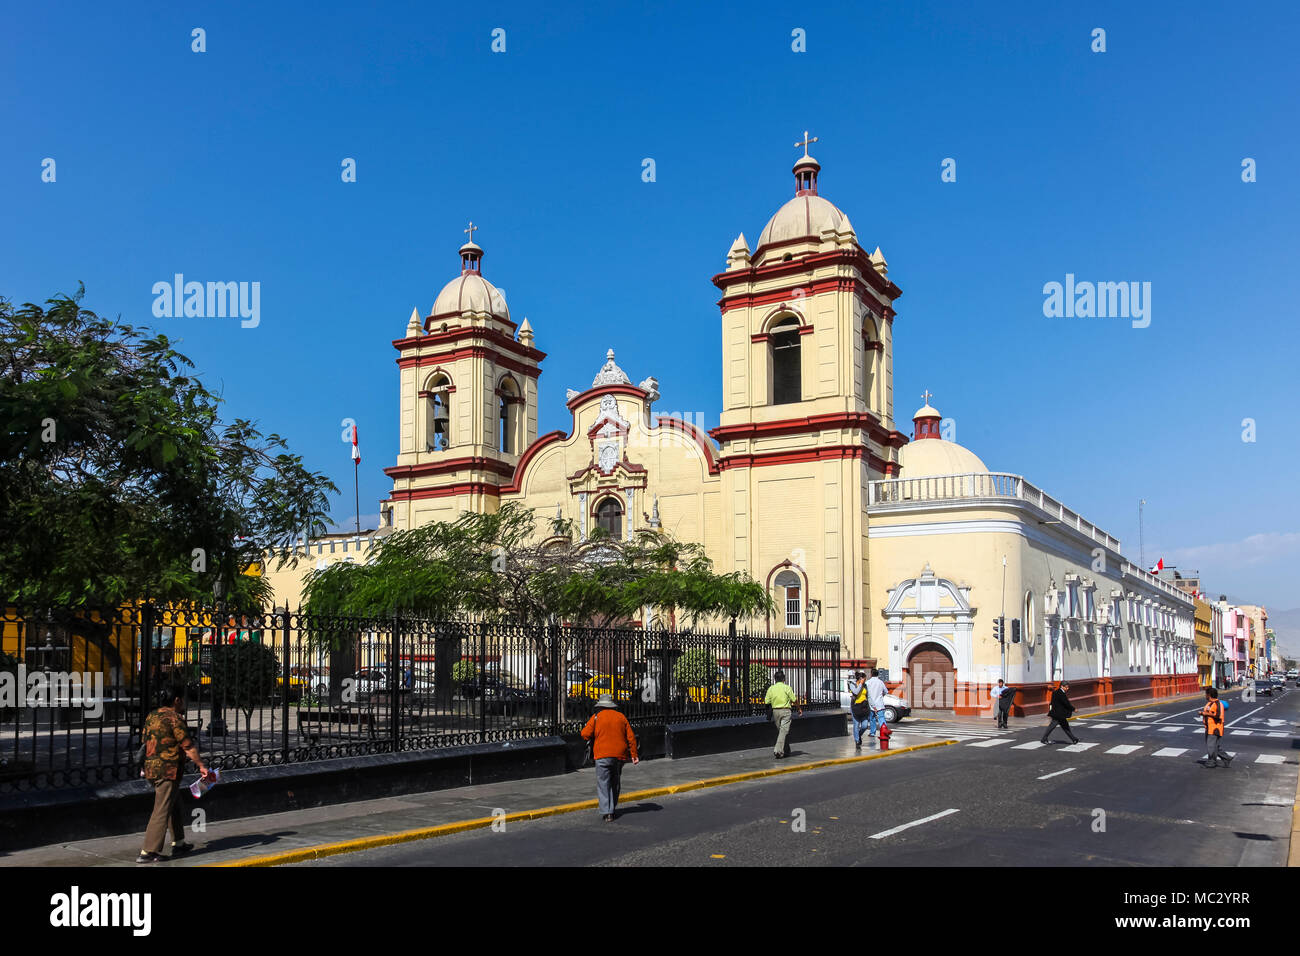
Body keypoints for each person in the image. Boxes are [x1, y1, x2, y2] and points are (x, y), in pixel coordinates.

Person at [138, 679, 210, 863]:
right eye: (183, 700)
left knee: (174, 805)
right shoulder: (174, 718)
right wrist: (201, 765)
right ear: (176, 700)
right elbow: (188, 746)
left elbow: (145, 742)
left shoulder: (151, 716)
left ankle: (179, 843)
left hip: (152, 768)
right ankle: (149, 851)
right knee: (162, 809)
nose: (184, 703)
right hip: (167, 770)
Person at [580, 693, 639, 821]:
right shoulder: (621, 717)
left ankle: (608, 812)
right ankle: (612, 807)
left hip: (601, 755)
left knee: (603, 783)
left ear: (600, 706)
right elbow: (631, 737)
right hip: (619, 755)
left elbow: (584, 734)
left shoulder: (596, 717)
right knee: (615, 781)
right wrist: (634, 755)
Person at [764, 670, 801, 759]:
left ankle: (787, 750)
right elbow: (794, 699)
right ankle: (778, 750)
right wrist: (799, 708)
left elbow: (766, 701)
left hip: (775, 712)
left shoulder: (771, 689)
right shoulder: (787, 688)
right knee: (783, 731)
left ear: (775, 679)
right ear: (784, 679)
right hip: (785, 711)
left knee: (782, 731)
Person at [1199, 686, 1232, 768]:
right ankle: (1226, 758)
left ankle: (1211, 762)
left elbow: (1218, 715)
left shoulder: (1218, 704)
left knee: (1211, 745)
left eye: (1206, 694)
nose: (1205, 696)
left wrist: (1205, 714)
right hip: (1209, 727)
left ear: (1209, 695)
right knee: (1214, 746)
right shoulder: (1210, 703)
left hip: (1215, 728)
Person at [848, 672, 871, 750]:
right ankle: (857, 740)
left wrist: (872, 706)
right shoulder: (852, 684)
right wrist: (860, 684)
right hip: (855, 707)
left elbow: (868, 696)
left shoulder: (865, 685)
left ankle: (859, 735)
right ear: (860, 679)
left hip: (864, 707)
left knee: (865, 726)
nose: (865, 680)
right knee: (856, 724)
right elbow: (856, 692)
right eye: (864, 679)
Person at [865, 668, 888, 737]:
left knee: (872, 719)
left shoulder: (868, 682)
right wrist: (881, 695)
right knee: (881, 718)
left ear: (871, 674)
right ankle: (884, 732)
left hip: (871, 704)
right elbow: (886, 691)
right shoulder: (881, 682)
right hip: (879, 704)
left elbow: (865, 693)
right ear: (877, 674)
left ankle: (872, 732)